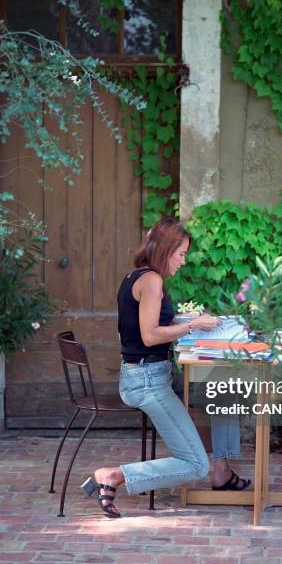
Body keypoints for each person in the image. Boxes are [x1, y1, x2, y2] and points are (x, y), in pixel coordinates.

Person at [81, 218, 249, 518]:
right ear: (166, 249)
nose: (183, 261)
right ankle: (113, 476)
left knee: (224, 391)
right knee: (195, 464)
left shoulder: (138, 277)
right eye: (181, 254)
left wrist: (185, 322)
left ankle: (222, 471)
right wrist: (192, 325)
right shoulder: (152, 281)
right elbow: (148, 335)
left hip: (154, 374)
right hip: (146, 381)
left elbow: (144, 328)